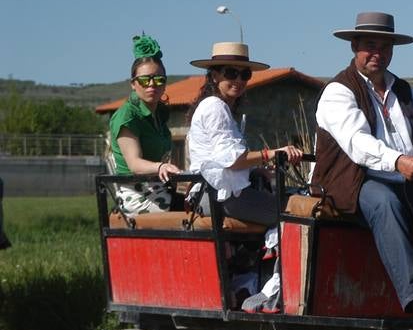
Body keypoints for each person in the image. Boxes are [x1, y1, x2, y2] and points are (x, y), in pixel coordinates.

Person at [313, 11, 413, 313]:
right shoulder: (338, 91)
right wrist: (398, 160)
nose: (377, 53)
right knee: (384, 202)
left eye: (384, 47)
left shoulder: (404, 91)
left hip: (407, 177)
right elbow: (358, 143)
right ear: (354, 47)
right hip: (354, 181)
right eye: (370, 46)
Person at [186, 41, 304, 224]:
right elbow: (230, 160)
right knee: (298, 216)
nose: (239, 80)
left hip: (225, 195)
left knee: (295, 204)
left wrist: (257, 170)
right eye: (231, 73)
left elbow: (223, 161)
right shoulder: (215, 107)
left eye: (245, 74)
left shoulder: (222, 109)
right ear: (215, 76)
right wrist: (272, 153)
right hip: (221, 197)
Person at [107, 33, 181, 214]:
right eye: (145, 80)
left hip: (159, 188)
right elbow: (134, 164)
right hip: (137, 195)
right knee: (200, 213)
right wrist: (161, 167)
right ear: (133, 83)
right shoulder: (128, 116)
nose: (152, 85)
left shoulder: (160, 113)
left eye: (158, 80)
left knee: (206, 204)